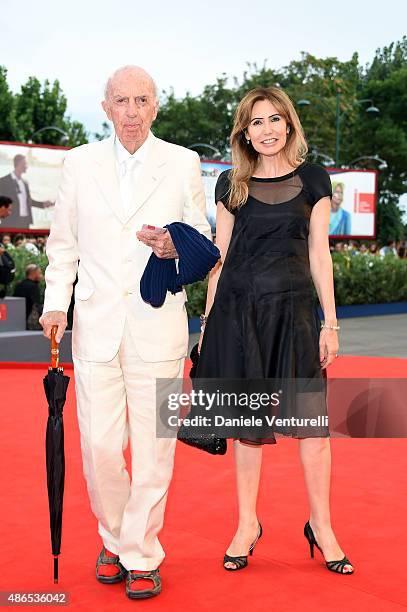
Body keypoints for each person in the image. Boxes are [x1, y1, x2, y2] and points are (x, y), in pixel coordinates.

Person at [39, 65, 211, 600]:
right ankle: (113, 536)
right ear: (105, 106)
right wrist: (54, 303)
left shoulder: (182, 162)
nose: (132, 112)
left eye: (141, 100)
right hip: (94, 327)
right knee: (99, 447)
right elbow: (63, 242)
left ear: (156, 106)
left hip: (157, 327)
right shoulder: (79, 163)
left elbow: (203, 235)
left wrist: (173, 245)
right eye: (121, 101)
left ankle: (139, 552)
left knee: (156, 449)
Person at [197, 86, 354, 575]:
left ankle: (321, 526)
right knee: (247, 430)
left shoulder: (313, 179)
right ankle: (247, 525)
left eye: (274, 119)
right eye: (255, 122)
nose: (265, 129)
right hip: (240, 315)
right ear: (244, 131)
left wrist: (331, 323)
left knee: (312, 427)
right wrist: (206, 323)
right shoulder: (230, 184)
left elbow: (319, 253)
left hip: (296, 314)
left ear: (289, 124)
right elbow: (218, 258)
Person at [0, 155, 53, 228]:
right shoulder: (3, 181)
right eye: (25, 163)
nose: (27, 166)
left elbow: (28, 201)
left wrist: (42, 204)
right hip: (10, 222)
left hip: (25, 221)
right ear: (18, 163)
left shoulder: (25, 183)